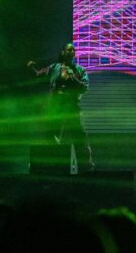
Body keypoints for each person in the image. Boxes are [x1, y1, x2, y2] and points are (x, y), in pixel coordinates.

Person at [27, 42, 94, 170]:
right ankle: (55, 166)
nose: (72, 52)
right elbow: (38, 74)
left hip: (72, 107)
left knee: (79, 138)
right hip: (55, 106)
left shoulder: (80, 70)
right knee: (50, 135)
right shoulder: (54, 67)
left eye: (73, 50)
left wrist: (72, 77)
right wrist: (31, 68)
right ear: (62, 52)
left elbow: (84, 88)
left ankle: (86, 168)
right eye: (69, 50)